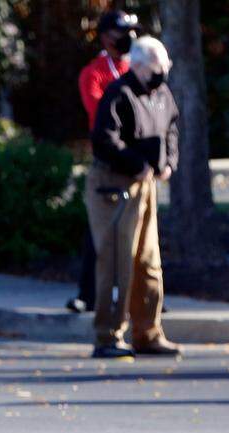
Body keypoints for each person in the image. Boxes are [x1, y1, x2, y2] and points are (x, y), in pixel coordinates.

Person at [87, 37, 181, 359]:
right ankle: (108, 335)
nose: (163, 73)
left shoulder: (162, 94)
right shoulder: (118, 93)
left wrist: (168, 162)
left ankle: (148, 333)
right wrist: (136, 164)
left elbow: (171, 129)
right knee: (117, 261)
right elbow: (104, 139)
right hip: (115, 185)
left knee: (148, 263)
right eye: (158, 67)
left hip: (147, 184)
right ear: (138, 66)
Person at [69, 10, 141, 314]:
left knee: (137, 231)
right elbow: (100, 113)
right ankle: (88, 293)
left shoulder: (137, 68)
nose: (129, 38)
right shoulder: (94, 73)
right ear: (105, 37)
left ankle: (139, 294)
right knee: (99, 228)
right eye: (122, 32)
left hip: (137, 159)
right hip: (108, 160)